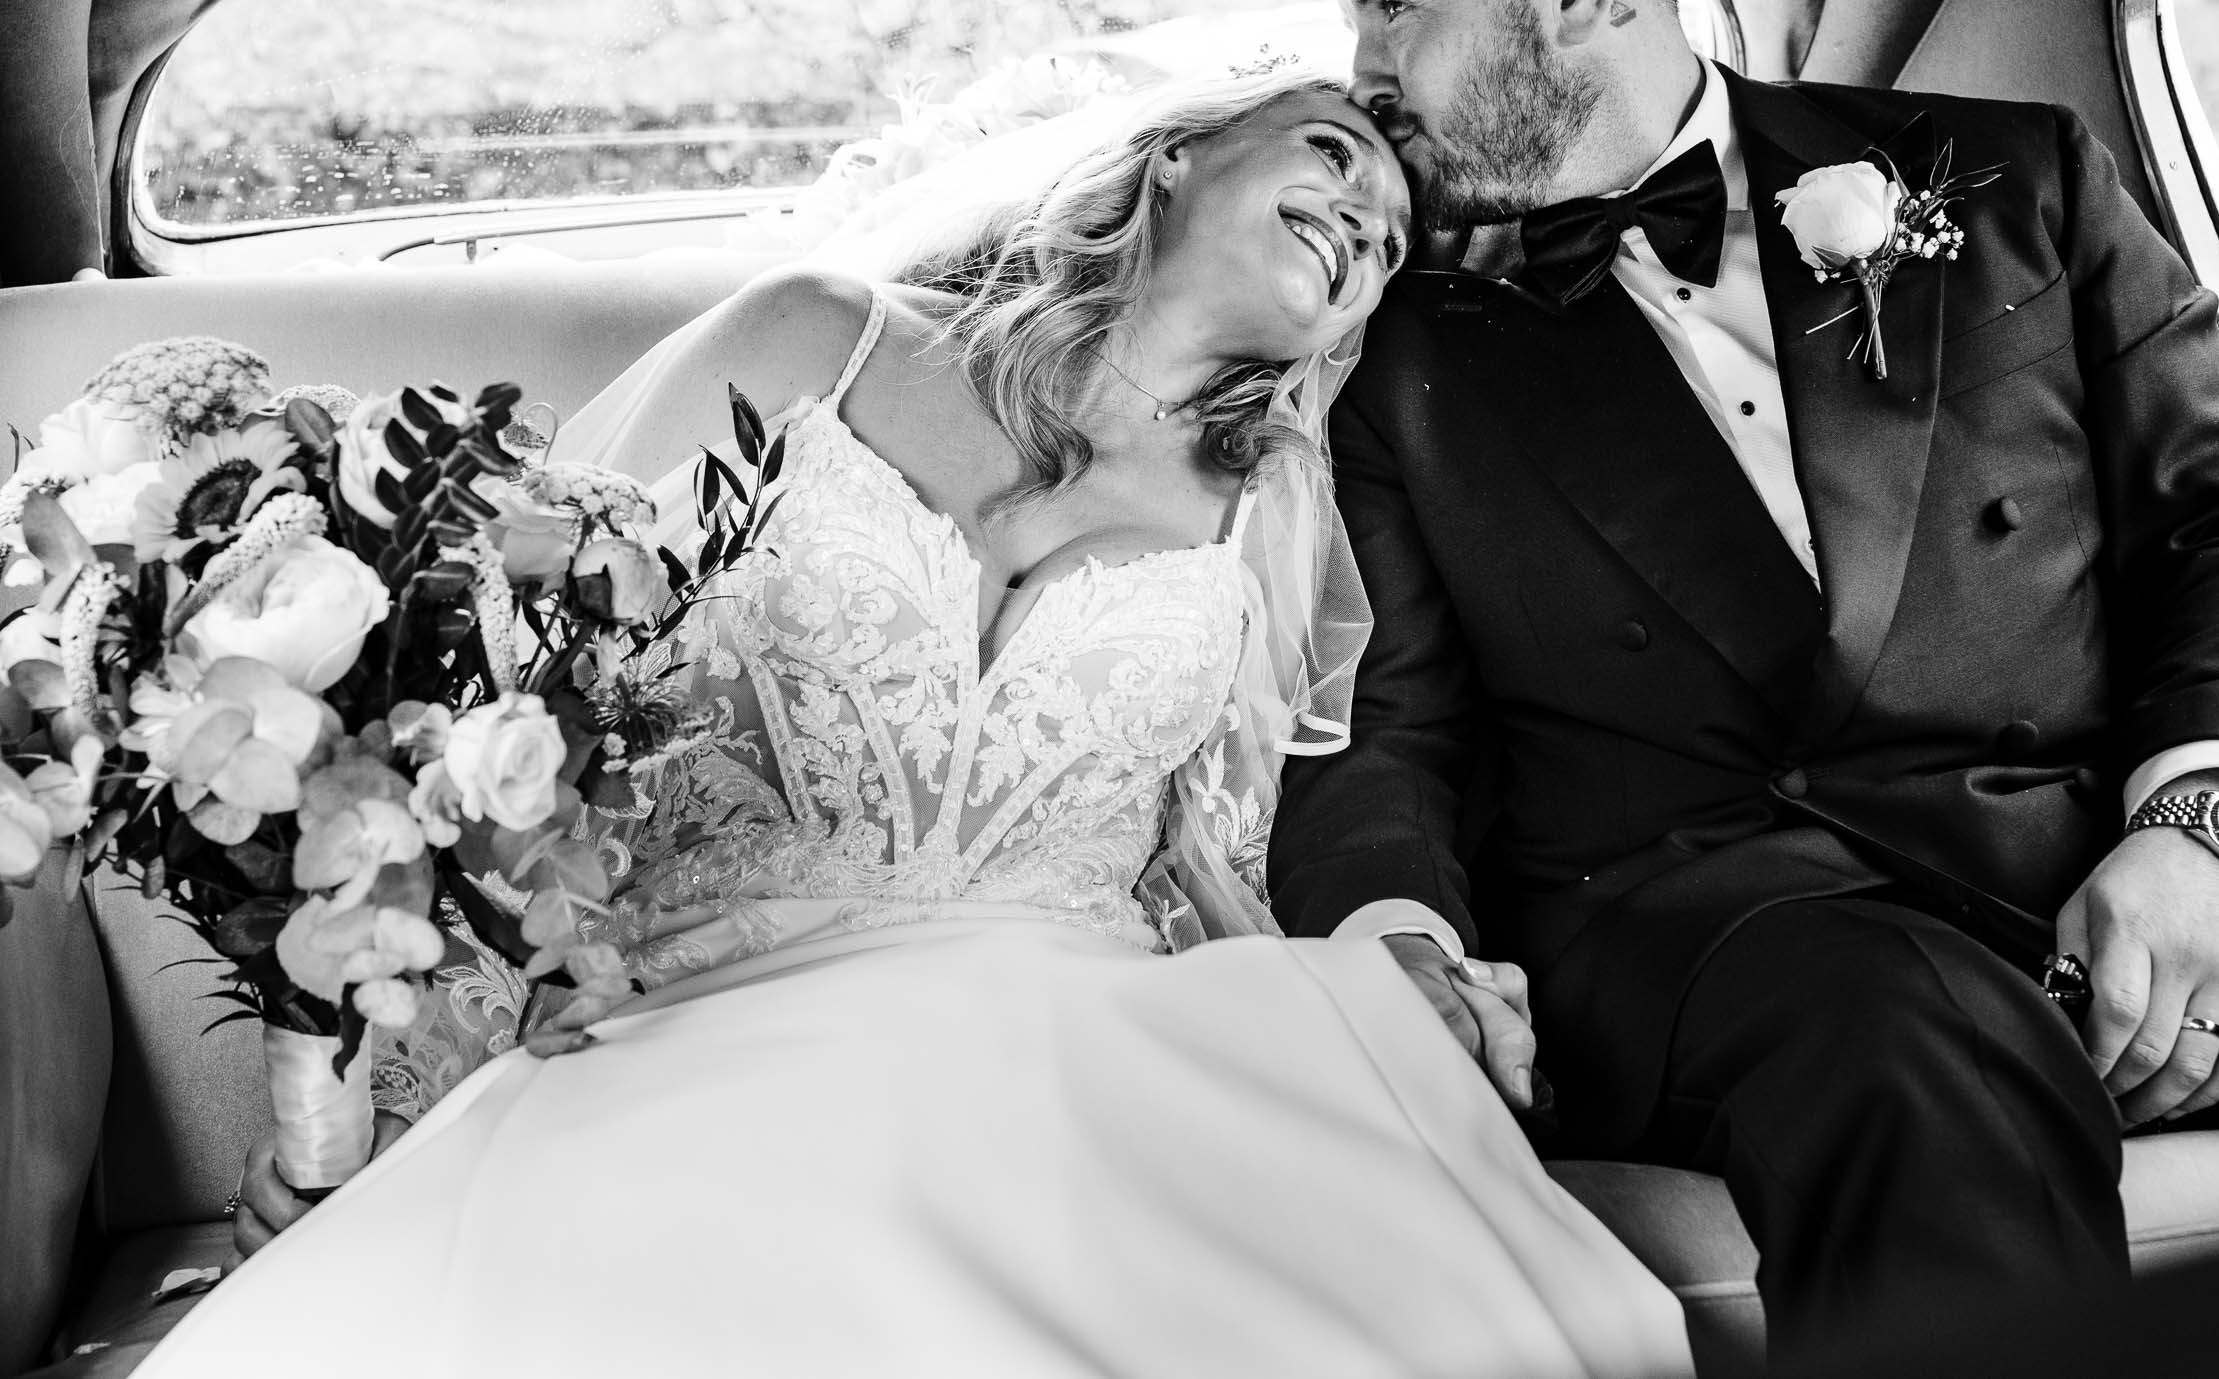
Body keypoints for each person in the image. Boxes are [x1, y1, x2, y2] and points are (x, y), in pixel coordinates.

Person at [151, 70, 1694, 1378]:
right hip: (695, 1019)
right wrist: (360, 1097)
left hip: (1083, 1041)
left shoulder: (1273, 508)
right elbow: (503, 703)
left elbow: (1226, 853)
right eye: (1331, 155)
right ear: (1176, 158)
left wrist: (1396, 976)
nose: (1365, 218)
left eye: (1389, 238)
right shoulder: (818, 338)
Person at [1270, 0, 2219, 1364]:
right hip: (1732, 933)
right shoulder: (1388, 335)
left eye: (1390, 10)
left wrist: (2202, 834)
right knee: (1909, 1024)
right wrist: (1401, 961)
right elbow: (1385, 726)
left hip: (2095, 860)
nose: (1363, 71)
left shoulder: (2011, 178)